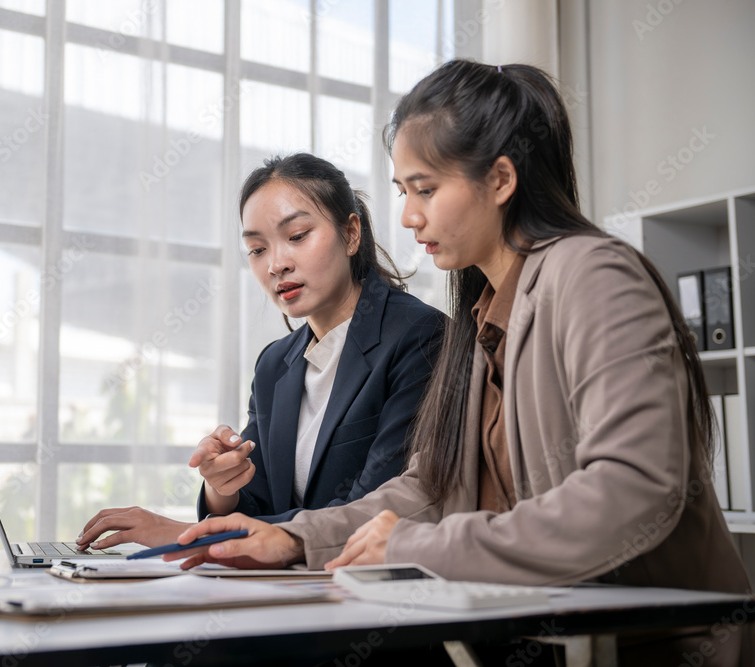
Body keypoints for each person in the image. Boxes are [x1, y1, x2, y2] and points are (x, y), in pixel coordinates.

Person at [170, 60, 752, 664]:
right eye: (402, 192)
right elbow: (433, 486)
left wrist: (422, 548)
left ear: (500, 180)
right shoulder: (483, 317)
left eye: (425, 189)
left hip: (662, 641)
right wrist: (292, 537)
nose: (406, 217)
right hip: (556, 634)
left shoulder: (591, 275)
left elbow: (633, 489)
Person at [77, 153, 444, 550]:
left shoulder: (419, 336)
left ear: (351, 234)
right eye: (257, 249)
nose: (276, 265)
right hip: (285, 589)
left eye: (298, 236)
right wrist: (223, 488)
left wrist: (184, 535)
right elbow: (259, 508)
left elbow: (376, 510)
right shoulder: (274, 365)